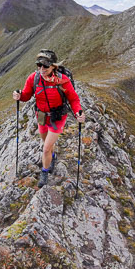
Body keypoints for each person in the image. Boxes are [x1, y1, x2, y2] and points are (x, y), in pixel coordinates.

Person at [13, 49, 85, 188]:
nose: (41, 69)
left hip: (57, 117)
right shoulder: (34, 78)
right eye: (39, 65)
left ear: (54, 66)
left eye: (45, 66)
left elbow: (74, 99)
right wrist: (19, 95)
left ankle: (45, 172)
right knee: (47, 143)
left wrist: (78, 113)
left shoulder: (63, 81)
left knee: (46, 148)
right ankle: (52, 158)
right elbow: (27, 95)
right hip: (41, 116)